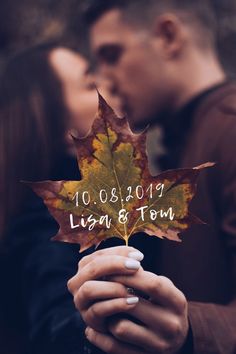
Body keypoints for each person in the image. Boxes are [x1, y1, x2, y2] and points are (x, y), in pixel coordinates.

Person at [66, 1, 236, 354]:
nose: (105, 77)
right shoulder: (187, 140)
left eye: (112, 54)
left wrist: (190, 330)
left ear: (168, 36)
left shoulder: (227, 131)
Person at [0, 43, 107, 354]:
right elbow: (58, 323)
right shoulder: (49, 214)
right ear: (60, 125)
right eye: (90, 83)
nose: (110, 84)